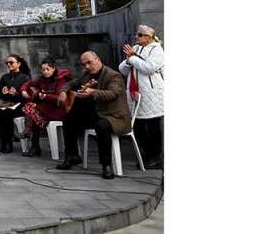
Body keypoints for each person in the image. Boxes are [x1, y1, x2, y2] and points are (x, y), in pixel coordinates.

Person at [56, 51, 132, 179]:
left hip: (113, 116)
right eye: (84, 64)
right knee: (69, 119)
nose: (87, 66)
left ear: (98, 60)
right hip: (97, 113)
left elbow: (112, 94)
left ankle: (106, 165)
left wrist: (92, 92)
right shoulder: (87, 74)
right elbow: (72, 83)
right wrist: (63, 91)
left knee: (102, 126)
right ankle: (72, 156)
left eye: (89, 63)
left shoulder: (113, 75)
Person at [120, 25, 164, 169]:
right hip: (135, 93)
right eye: (137, 34)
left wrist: (132, 58)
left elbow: (149, 68)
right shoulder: (136, 48)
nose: (136, 37)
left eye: (139, 35)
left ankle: (155, 158)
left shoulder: (157, 50)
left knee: (151, 127)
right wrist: (129, 61)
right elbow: (122, 69)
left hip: (151, 94)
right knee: (139, 127)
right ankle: (144, 156)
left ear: (149, 37)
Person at [18, 57, 72, 157]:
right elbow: (29, 83)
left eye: (48, 69)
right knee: (32, 111)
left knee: (31, 109)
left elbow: (60, 99)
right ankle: (34, 144)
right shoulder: (42, 79)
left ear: (53, 68)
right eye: (43, 70)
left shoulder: (60, 80)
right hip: (45, 109)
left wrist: (46, 96)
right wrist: (23, 90)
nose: (45, 72)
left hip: (57, 110)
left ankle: (33, 142)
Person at [0, 55, 32, 154]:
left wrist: (16, 94)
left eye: (11, 62)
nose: (8, 64)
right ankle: (1, 140)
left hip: (21, 105)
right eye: (7, 63)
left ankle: (7, 142)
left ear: (18, 64)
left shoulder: (25, 77)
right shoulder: (4, 77)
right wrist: (3, 93)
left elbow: (27, 96)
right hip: (8, 104)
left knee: (6, 113)